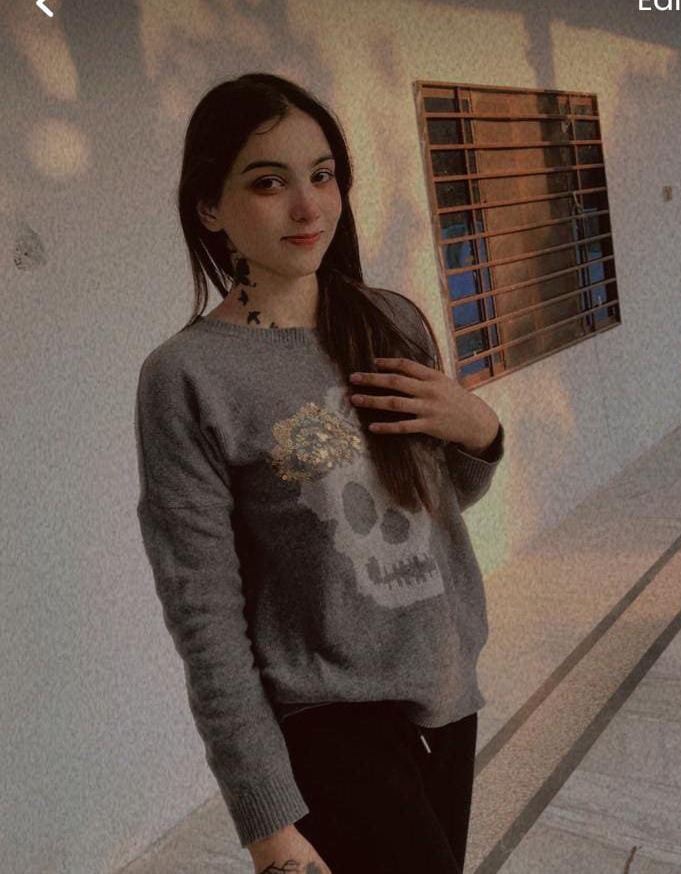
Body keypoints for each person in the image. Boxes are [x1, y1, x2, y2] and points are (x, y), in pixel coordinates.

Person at [134, 72, 505, 873]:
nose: (308, 207)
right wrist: (266, 820)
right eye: (268, 183)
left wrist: (481, 431)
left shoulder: (388, 321)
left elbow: (438, 503)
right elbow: (203, 615)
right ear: (209, 207)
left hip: (445, 690)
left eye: (322, 175)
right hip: (328, 719)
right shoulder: (189, 376)